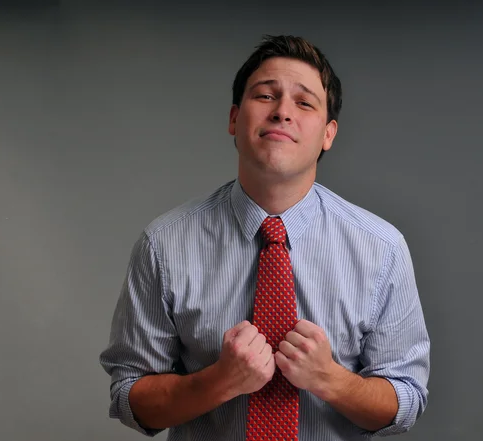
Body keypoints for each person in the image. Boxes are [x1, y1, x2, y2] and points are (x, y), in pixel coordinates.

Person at [99, 34, 430, 441]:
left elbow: (406, 399)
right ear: (235, 119)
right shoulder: (164, 245)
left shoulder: (382, 249)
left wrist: (331, 380)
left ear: (328, 134)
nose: (282, 113)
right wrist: (219, 381)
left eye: (304, 102)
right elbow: (130, 396)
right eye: (265, 96)